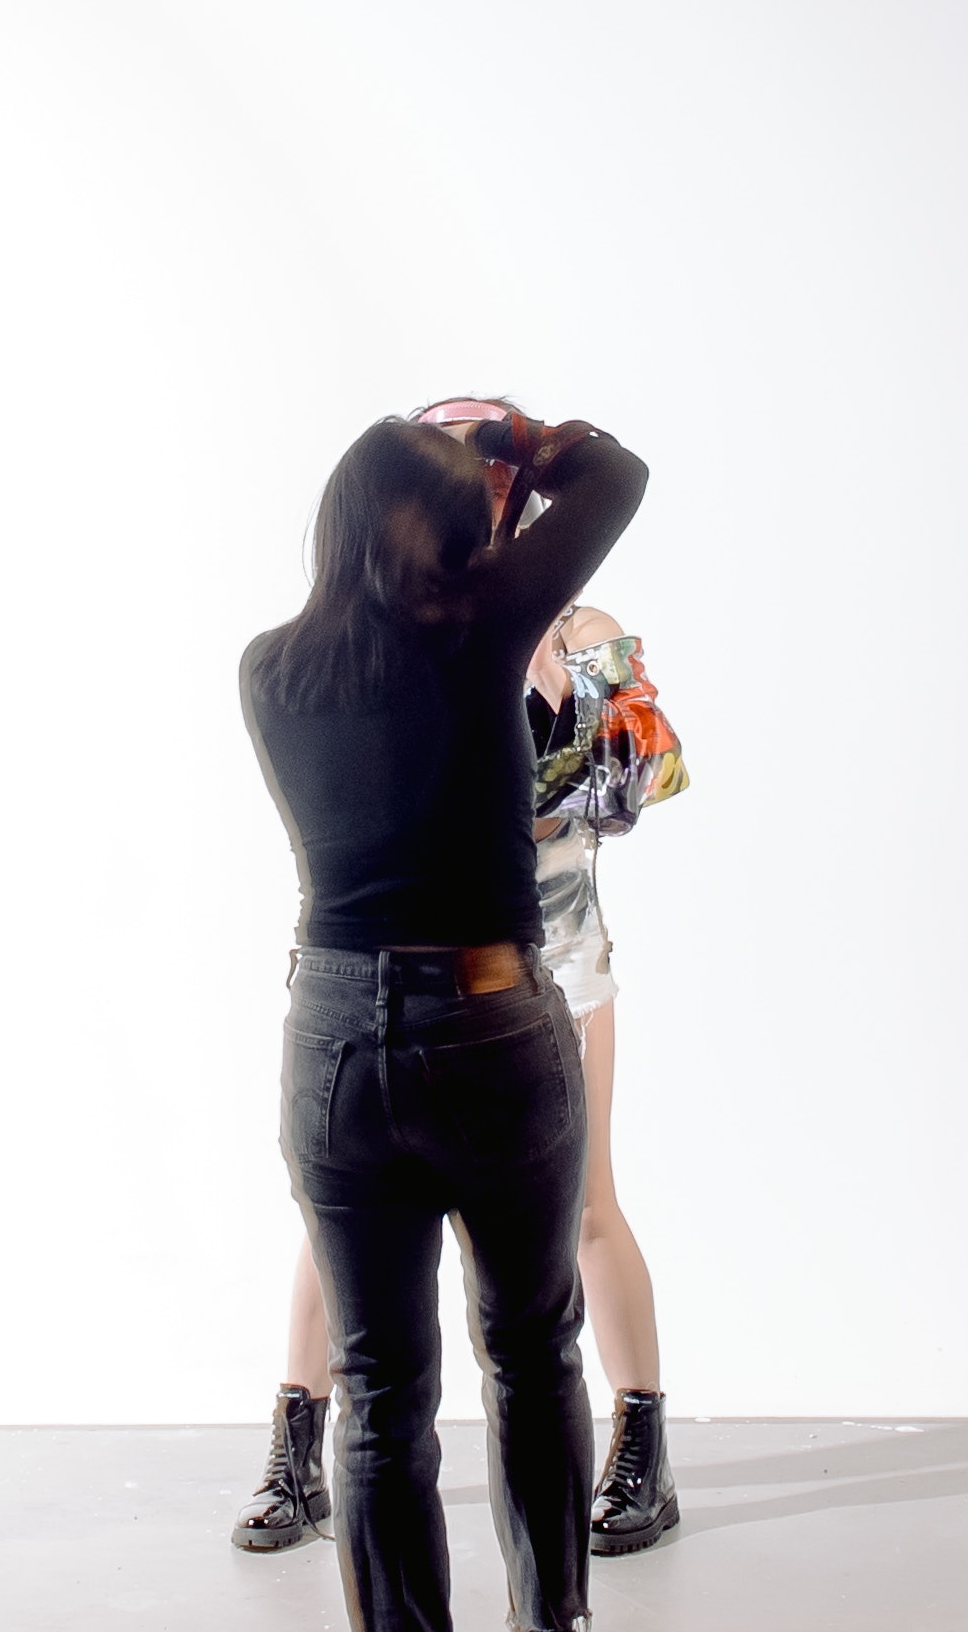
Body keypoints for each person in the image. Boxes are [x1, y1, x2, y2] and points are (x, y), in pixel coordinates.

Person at [239, 403, 648, 1632]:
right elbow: (619, 476)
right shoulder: (482, 629)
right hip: (491, 1024)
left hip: (336, 1035)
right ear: (455, 528)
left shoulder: (270, 668)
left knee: (379, 1394)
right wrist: (522, 444)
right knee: (531, 1355)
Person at [234, 516, 688, 1560]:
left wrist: (552, 672)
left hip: (555, 960)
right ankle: (296, 1452)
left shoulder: (578, 631)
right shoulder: (393, 632)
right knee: (340, 1218)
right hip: (409, 966)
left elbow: (641, 782)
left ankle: (644, 1448)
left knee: (585, 1207)